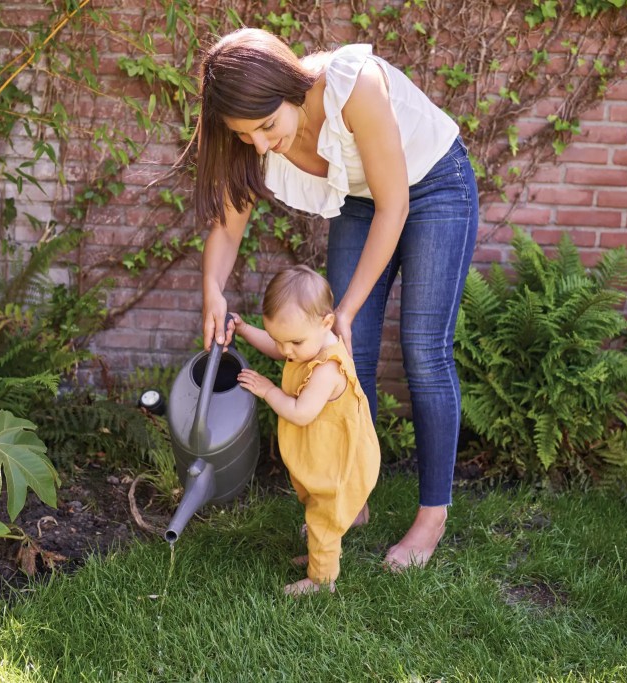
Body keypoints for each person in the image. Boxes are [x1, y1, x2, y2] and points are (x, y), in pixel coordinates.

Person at [191, 28, 479, 571]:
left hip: (434, 188)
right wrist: (212, 290)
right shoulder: (253, 134)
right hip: (362, 199)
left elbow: (395, 207)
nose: (258, 144)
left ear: (288, 86)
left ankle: (431, 516)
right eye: (244, 134)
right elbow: (227, 229)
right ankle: (352, 496)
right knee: (351, 352)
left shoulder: (353, 84)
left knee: (424, 350)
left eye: (267, 126)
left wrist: (344, 308)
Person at [232, 266, 380, 595]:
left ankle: (321, 580)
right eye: (280, 341)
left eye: (293, 343)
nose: (286, 352)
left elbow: (301, 413)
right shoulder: (305, 343)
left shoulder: (327, 367)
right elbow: (276, 346)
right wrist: (243, 329)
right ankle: (319, 553)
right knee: (316, 508)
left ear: (327, 322)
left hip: (338, 460)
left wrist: (269, 390)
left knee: (322, 516)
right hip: (323, 450)